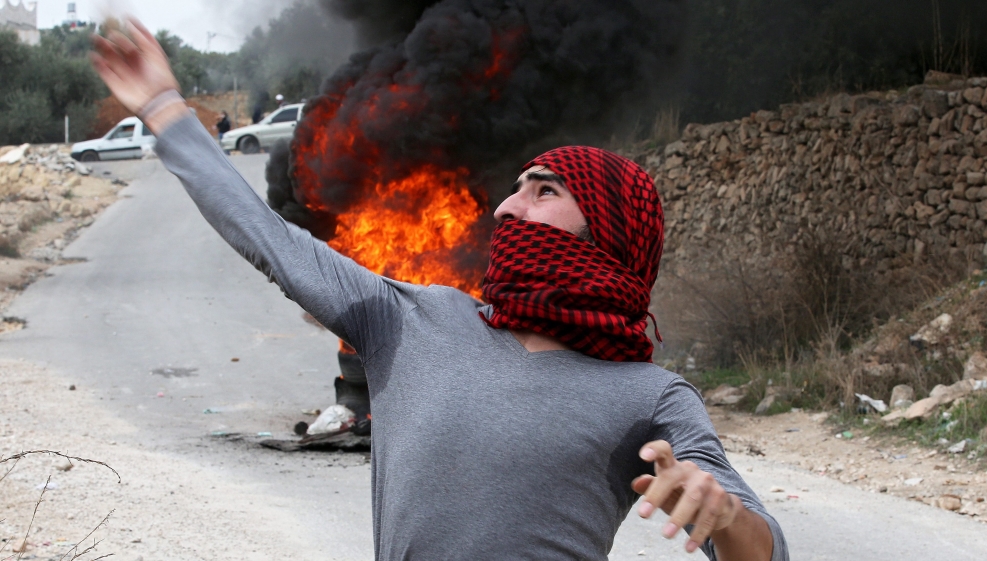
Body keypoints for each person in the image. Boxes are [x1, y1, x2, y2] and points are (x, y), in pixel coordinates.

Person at [91, 19, 788, 561]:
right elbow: (267, 237)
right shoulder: (412, 318)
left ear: (607, 232)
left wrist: (722, 509)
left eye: (543, 193)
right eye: (513, 190)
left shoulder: (648, 395)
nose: (508, 209)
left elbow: (762, 546)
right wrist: (163, 108)